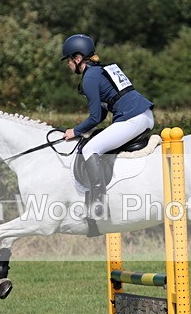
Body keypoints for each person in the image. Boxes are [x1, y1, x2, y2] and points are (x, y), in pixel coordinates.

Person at [61, 34, 154, 217]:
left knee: (90, 149)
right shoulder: (104, 69)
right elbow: (103, 112)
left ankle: (98, 205)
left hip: (132, 119)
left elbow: (95, 117)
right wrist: (83, 129)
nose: (68, 64)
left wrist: (75, 131)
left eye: (69, 60)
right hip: (144, 116)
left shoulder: (89, 78)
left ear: (78, 58)